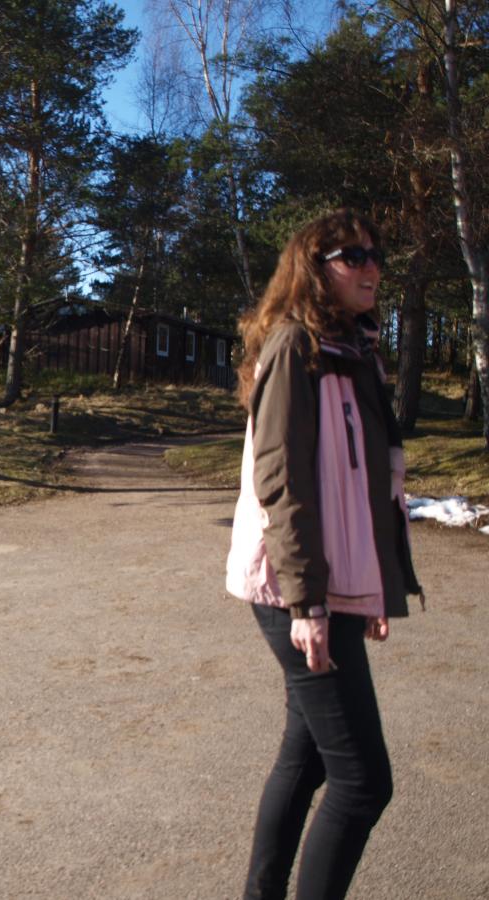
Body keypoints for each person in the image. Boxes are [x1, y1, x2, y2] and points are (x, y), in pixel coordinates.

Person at [225, 210, 423, 899]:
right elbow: (282, 480)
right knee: (363, 782)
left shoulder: (352, 352)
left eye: (376, 254)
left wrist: (372, 586)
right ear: (316, 268)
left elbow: (362, 483)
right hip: (295, 589)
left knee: (307, 759)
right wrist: (309, 601)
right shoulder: (292, 346)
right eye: (353, 255)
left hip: (328, 586)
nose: (371, 266)